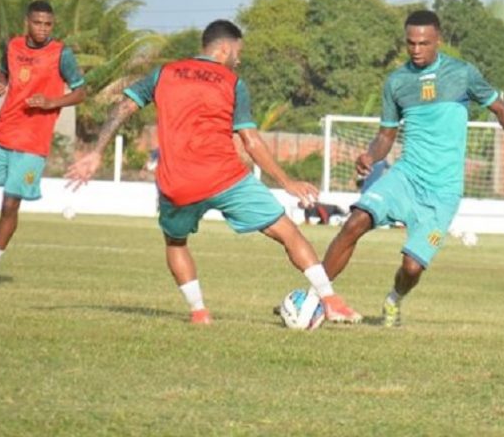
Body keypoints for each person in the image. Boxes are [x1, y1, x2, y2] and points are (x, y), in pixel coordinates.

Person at [65, 20, 361, 325]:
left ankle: (199, 312)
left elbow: (123, 107)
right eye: (238, 52)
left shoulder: (163, 73)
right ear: (224, 48)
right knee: (288, 232)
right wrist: (286, 181)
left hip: (177, 183)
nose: (239, 59)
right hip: (225, 178)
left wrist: (96, 151)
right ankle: (330, 299)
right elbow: (250, 140)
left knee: (175, 243)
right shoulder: (232, 82)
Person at [322, 10, 504, 327]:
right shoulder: (397, 82)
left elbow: (499, 107)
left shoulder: (462, 73)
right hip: (406, 176)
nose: (417, 50)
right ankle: (317, 298)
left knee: (412, 267)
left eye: (424, 43)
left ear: (438, 40)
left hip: (443, 192)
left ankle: (394, 300)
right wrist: (371, 156)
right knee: (355, 221)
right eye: (411, 43)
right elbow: (386, 134)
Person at [0, 0, 87, 286]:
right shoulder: (13, 46)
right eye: (37, 23)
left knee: (10, 204)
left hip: (32, 143)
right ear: (28, 22)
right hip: (1, 133)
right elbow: (2, 71)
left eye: (48, 24)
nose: (42, 29)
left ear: (53, 25)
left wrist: (52, 101)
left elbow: (80, 92)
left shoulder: (61, 54)